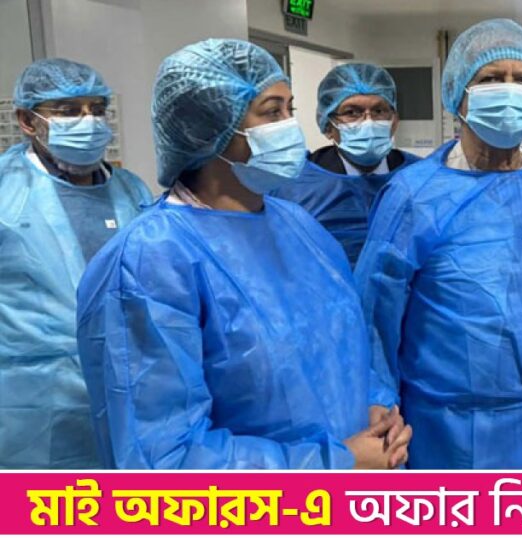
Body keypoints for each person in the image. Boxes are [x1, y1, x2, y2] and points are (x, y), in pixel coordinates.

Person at [76, 39, 410, 469]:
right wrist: (335, 463)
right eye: (272, 113)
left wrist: (373, 405)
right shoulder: (153, 260)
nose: (289, 127)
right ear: (207, 128)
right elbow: (164, 458)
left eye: (290, 109)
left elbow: (349, 342)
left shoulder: (298, 226)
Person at [355, 18, 522, 469]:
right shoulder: (414, 195)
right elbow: (374, 323)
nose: (509, 90)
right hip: (451, 436)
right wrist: (381, 414)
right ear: (458, 94)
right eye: (490, 78)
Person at [0, 59, 151, 469]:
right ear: (27, 121)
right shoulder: (6, 192)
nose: (89, 121)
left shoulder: (131, 190)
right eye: (68, 111)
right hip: (34, 404)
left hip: (130, 386)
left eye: (97, 109)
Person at [271, 63, 421, 267]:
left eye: (379, 110)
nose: (368, 122)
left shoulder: (421, 177)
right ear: (328, 126)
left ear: (394, 121)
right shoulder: (293, 186)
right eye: (352, 112)